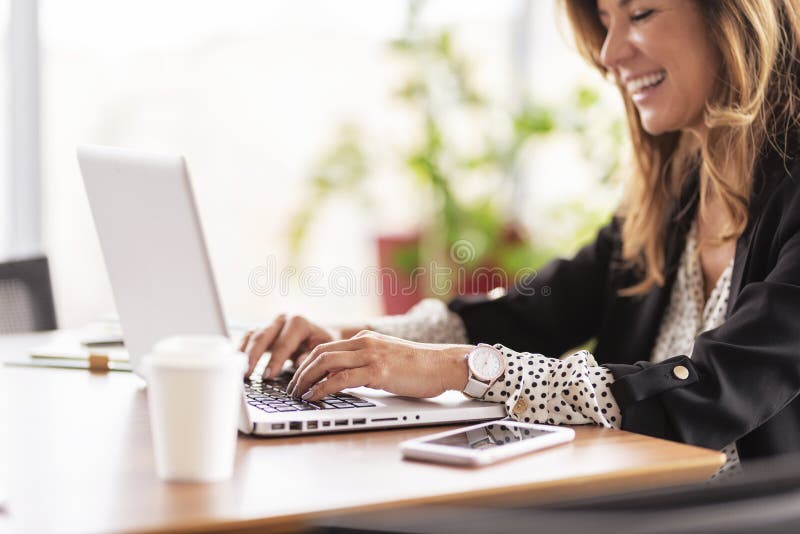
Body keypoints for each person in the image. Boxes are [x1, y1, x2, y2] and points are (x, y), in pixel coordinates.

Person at [240, 0, 800, 478]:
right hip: (627, 504)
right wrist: (358, 343)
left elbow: (715, 387)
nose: (610, 53)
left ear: (735, 17)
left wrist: (460, 368)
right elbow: (533, 312)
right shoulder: (676, 192)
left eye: (641, 13)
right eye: (606, 19)